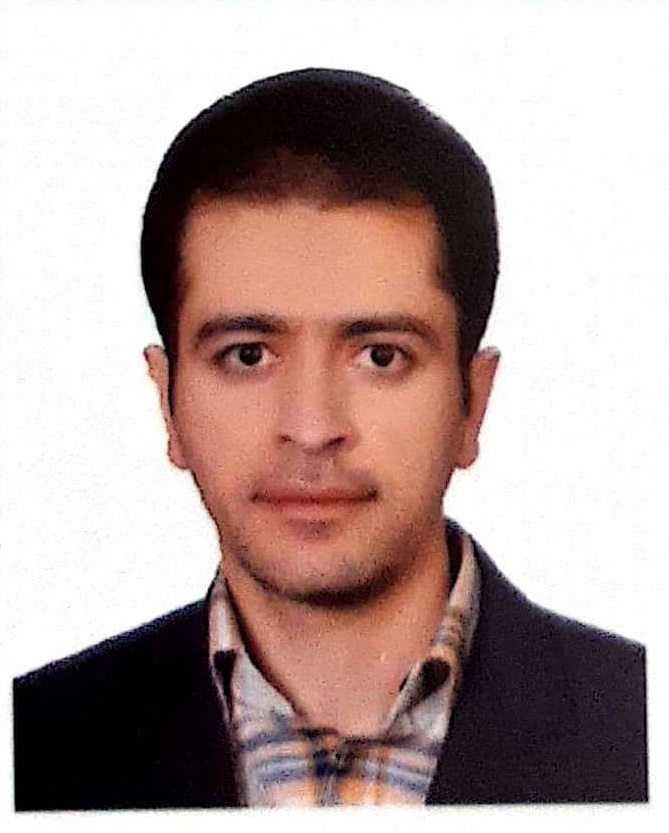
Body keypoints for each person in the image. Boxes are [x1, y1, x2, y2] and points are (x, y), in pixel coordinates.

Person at [13, 68, 647, 810]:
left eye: (380, 356)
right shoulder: (29, 749)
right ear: (168, 401)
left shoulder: (640, 727)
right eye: (247, 354)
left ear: (471, 403)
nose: (312, 429)